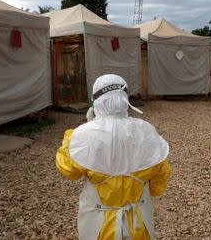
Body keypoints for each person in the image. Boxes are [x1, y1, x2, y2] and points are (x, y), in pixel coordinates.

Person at [56, 74, 171, 239]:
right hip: (138, 224)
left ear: (95, 100)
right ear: (125, 98)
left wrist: (77, 135)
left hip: (98, 227)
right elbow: (160, 181)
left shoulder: (83, 135)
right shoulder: (146, 133)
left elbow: (68, 170)